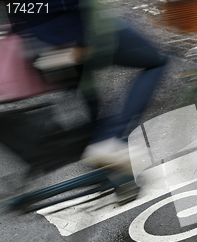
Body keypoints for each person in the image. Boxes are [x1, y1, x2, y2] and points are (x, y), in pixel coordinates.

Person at [3, 0, 168, 201]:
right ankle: (110, 139)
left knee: (88, 88)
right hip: (76, 32)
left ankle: (116, 174)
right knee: (155, 62)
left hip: (37, 43)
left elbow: (18, 7)